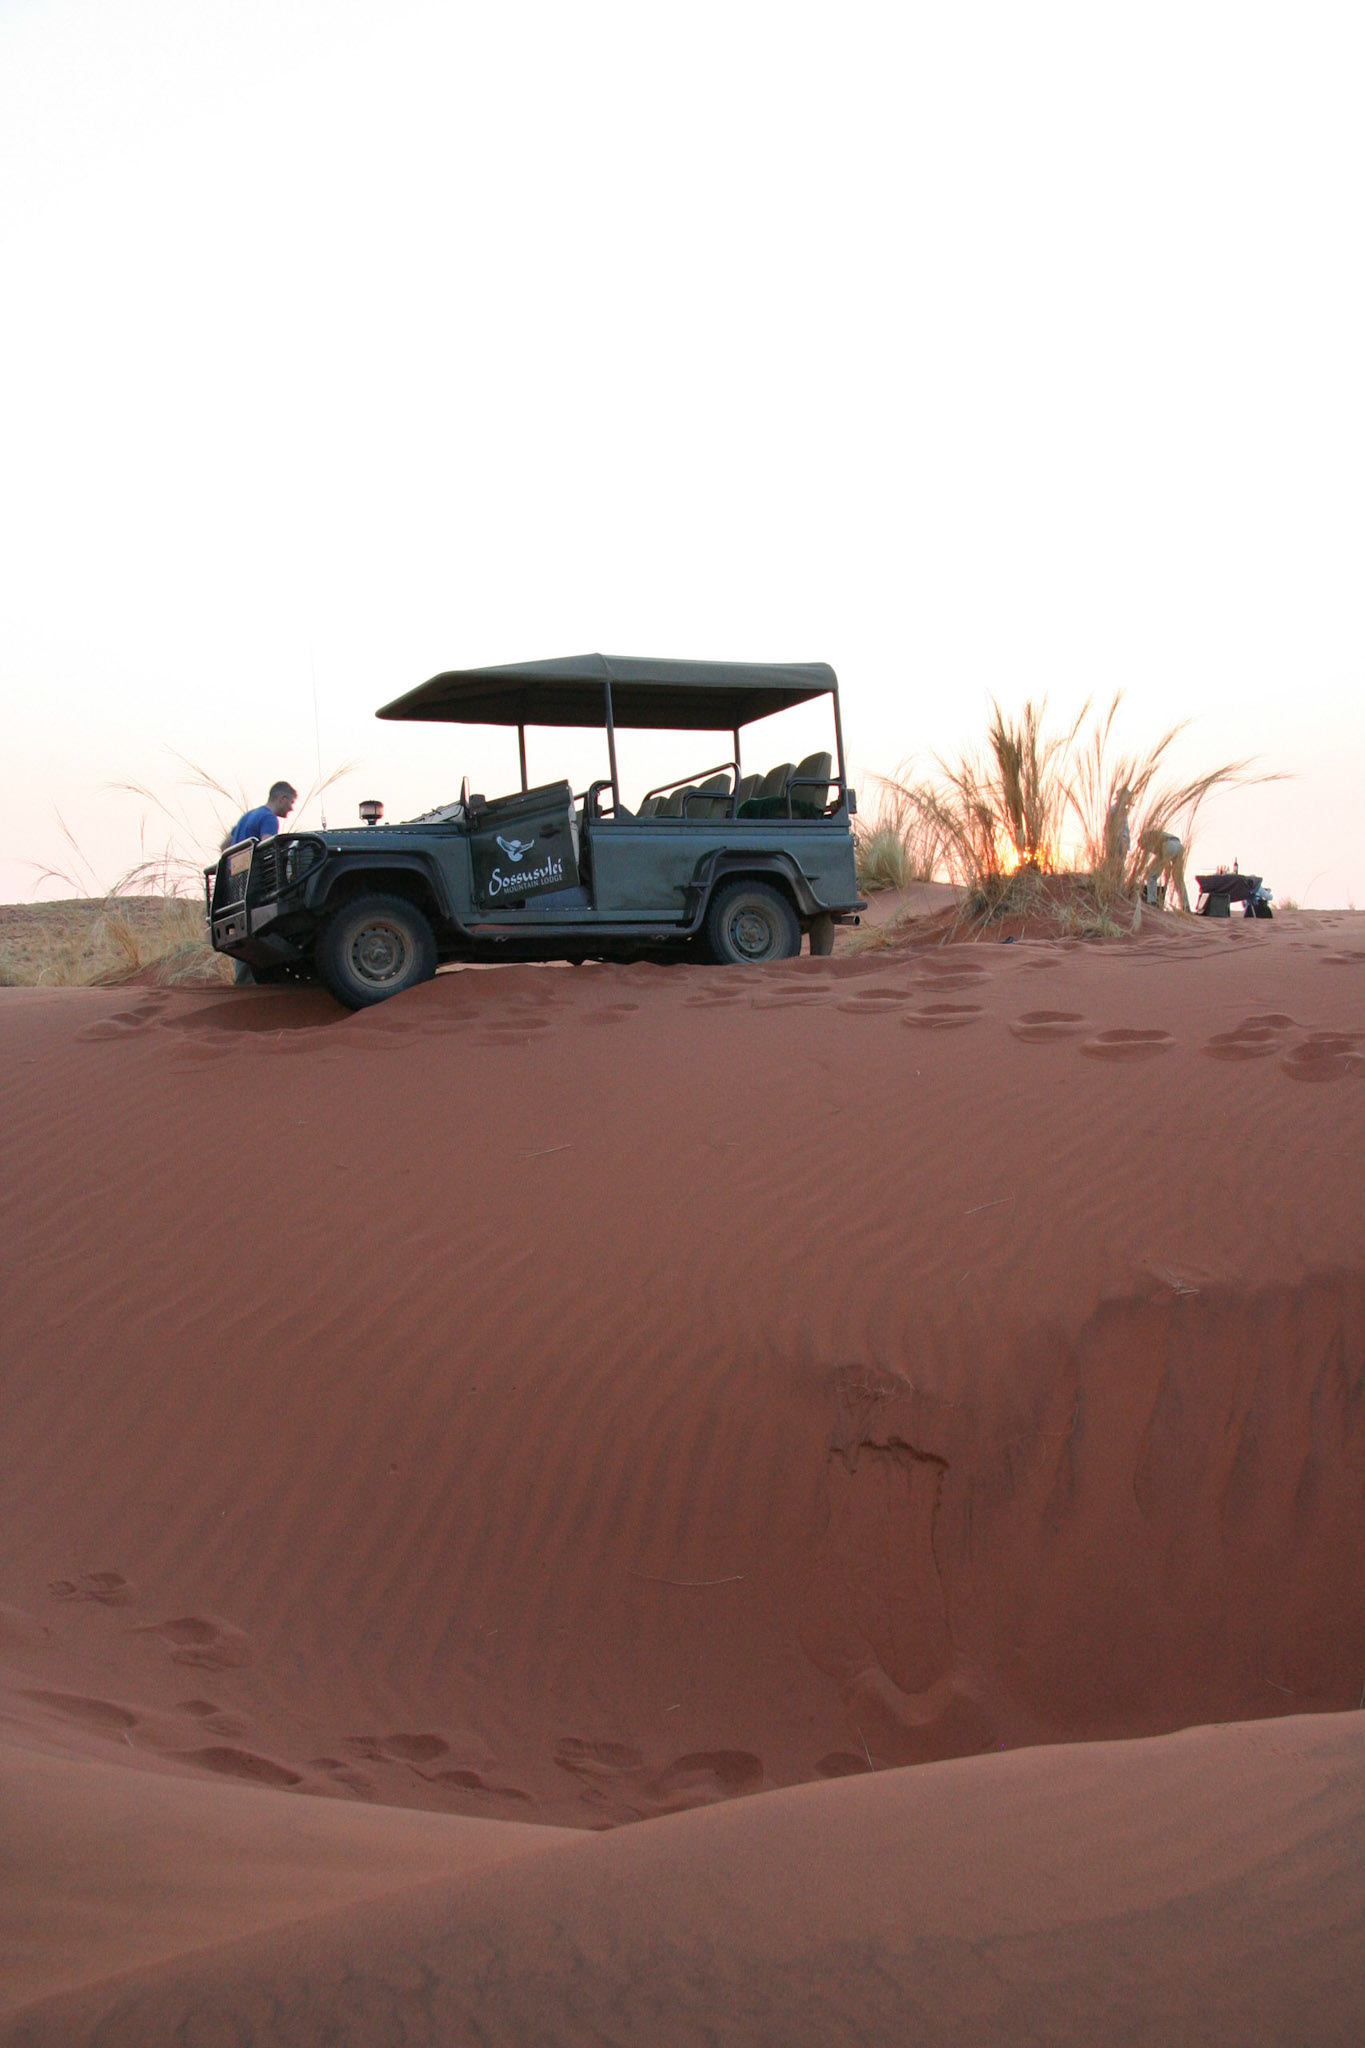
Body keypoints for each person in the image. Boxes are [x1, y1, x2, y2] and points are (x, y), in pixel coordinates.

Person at [223, 782, 297, 851]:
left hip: (237, 865)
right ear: (282, 799)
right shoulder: (269, 818)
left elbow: (224, 846)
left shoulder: (247, 816)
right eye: (292, 802)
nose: (292, 808)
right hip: (254, 865)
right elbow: (269, 849)